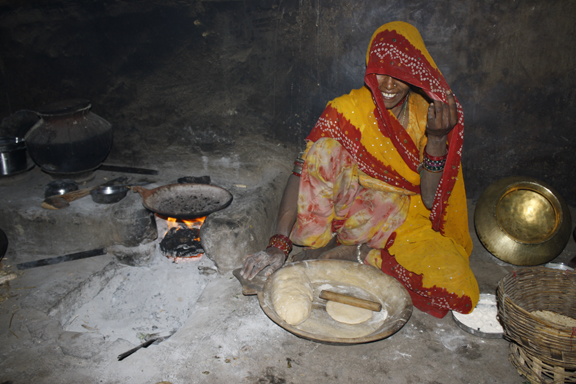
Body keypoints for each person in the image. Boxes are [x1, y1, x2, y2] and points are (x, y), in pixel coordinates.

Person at [241, 21, 479, 318]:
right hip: (348, 211)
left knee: (456, 282)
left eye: (399, 74)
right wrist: (278, 243)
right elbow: (300, 172)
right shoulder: (346, 110)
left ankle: (359, 254)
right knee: (324, 150)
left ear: (415, 74)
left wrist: (437, 139)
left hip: (400, 218)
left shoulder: (428, 116)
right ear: (369, 68)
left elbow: (431, 201)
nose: (389, 85)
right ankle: (325, 244)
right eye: (381, 71)